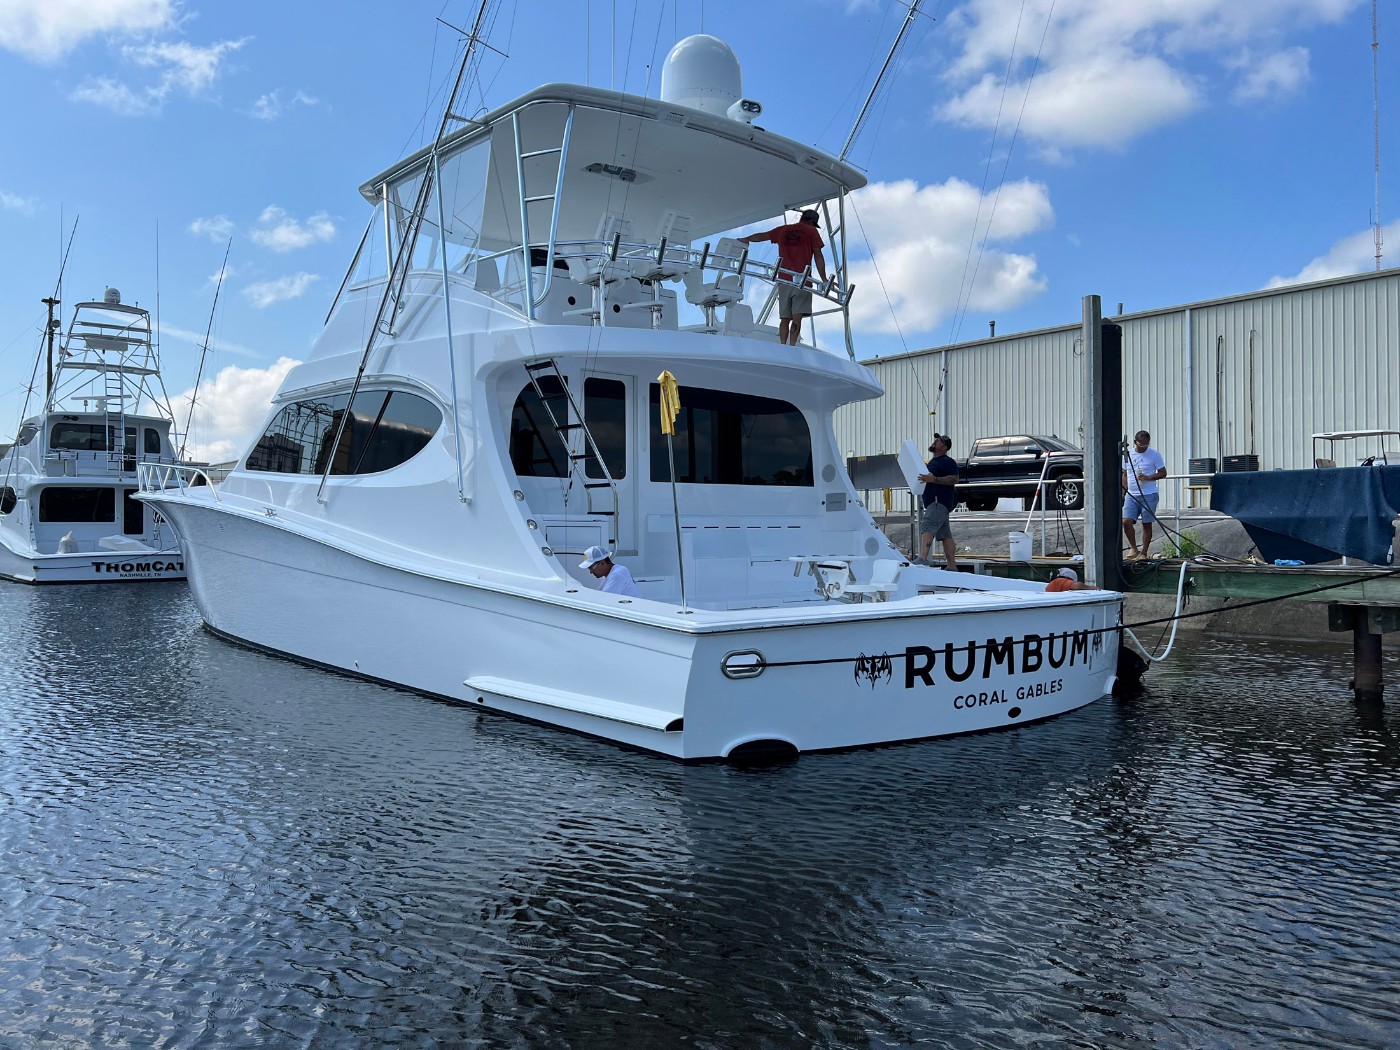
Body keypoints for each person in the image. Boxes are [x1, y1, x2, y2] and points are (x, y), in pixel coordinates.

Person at [738, 209, 828, 346]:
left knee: (785, 318)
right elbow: (818, 255)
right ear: (811, 222)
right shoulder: (811, 231)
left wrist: (747, 239)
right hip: (802, 280)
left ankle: (782, 345)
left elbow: (763, 236)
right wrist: (824, 279)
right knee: (797, 317)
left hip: (784, 280)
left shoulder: (783, 230)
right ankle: (792, 346)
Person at [915, 434, 959, 571]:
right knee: (945, 534)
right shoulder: (933, 462)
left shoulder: (947, 461)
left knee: (927, 525)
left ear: (944, 447)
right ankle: (952, 566)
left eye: (939, 441)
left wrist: (934, 480)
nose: (935, 441)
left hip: (938, 501)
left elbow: (954, 479)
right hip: (935, 502)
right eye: (936, 439)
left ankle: (923, 558)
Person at [1122, 430, 1167, 560]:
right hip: (1132, 494)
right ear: (1135, 442)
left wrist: (1149, 477)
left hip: (1149, 494)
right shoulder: (1128, 455)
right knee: (1126, 521)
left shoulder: (1154, 455)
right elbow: (1125, 474)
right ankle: (1133, 548)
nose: (1144, 447)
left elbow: (1163, 473)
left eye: (1146, 444)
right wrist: (1124, 491)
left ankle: (1144, 552)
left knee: (1147, 524)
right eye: (1141, 445)